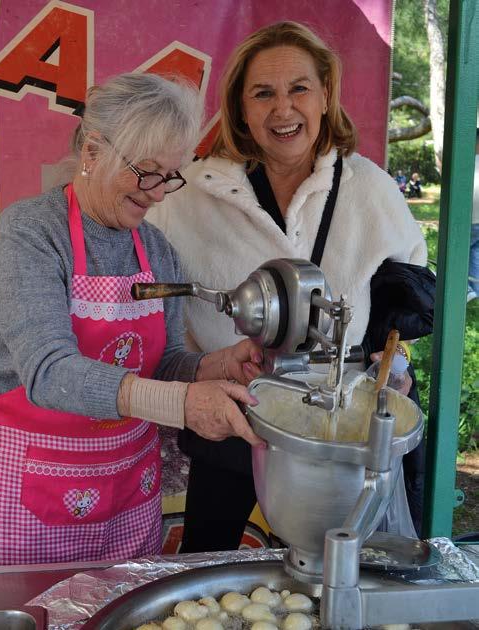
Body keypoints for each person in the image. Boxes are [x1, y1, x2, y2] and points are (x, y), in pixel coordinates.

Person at [0, 73, 266, 568]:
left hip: (123, 493)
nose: (159, 194)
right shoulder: (29, 234)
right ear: (92, 152)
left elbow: (164, 362)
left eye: (170, 176)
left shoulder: (156, 249)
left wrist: (219, 365)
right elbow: (48, 371)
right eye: (147, 172)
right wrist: (182, 404)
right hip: (22, 489)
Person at [148, 21, 429, 551]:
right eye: (263, 94)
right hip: (232, 414)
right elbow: (139, 274)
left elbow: (406, 297)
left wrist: (394, 365)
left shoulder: (369, 190)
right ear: (240, 109)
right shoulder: (190, 197)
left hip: (339, 428)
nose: (283, 109)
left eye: (299, 88)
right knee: (208, 563)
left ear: (325, 96)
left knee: (338, 566)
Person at [468, 129, 479, 302]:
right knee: (475, 254)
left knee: (457, 252)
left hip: (470, 219)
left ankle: (466, 289)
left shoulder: (468, 162)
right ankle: (475, 290)